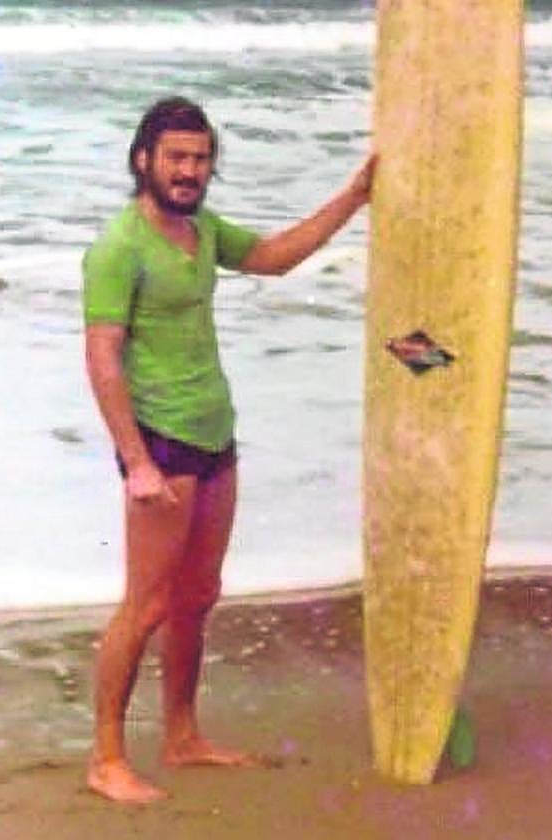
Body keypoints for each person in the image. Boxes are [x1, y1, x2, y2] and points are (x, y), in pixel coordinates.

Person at [81, 96, 375, 805]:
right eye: (176, 157)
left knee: (198, 596)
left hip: (215, 435)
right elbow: (101, 358)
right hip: (163, 444)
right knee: (145, 605)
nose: (189, 170)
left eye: (201, 158)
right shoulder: (119, 248)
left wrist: (355, 197)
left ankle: (181, 736)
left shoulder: (201, 231)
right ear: (142, 160)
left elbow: (272, 258)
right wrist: (137, 463)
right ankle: (105, 757)